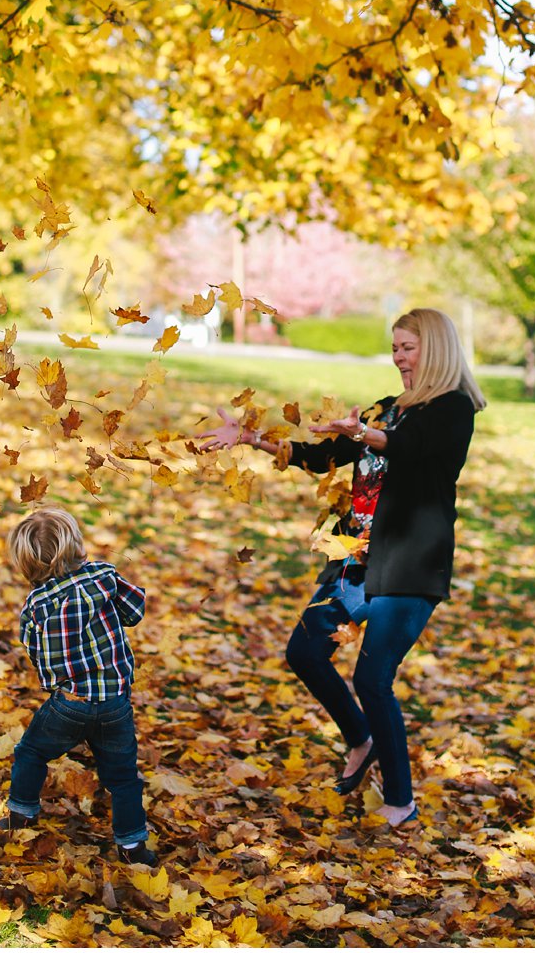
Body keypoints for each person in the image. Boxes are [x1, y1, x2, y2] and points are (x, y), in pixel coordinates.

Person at [198, 307, 483, 827]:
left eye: (408, 347)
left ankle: (401, 803)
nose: (398, 357)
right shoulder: (385, 408)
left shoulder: (452, 409)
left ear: (436, 349)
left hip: (409, 568)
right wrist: (251, 439)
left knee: (372, 678)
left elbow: (408, 447)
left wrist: (365, 436)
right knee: (304, 652)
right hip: (355, 560)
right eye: (395, 347)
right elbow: (321, 455)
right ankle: (361, 738)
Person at [2, 508, 157, 866]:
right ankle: (133, 846)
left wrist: (54, 685)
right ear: (75, 545)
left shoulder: (35, 605)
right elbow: (134, 612)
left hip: (70, 703)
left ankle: (20, 814)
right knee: (122, 778)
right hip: (115, 702)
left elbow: (39, 657)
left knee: (32, 753)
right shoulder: (104, 576)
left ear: (27, 563)